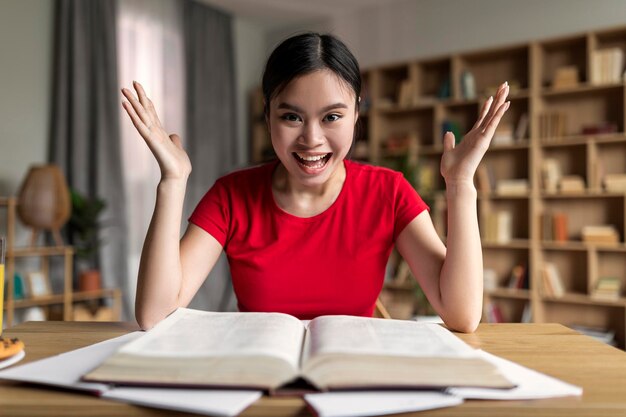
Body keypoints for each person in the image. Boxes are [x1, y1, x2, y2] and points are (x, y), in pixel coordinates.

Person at [121, 32, 510, 332]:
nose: (311, 139)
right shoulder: (231, 196)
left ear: (357, 112)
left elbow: (461, 315)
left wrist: (460, 185)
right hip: (258, 384)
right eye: (291, 117)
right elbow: (155, 314)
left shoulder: (388, 192)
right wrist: (172, 181)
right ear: (267, 114)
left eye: (332, 117)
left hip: (351, 383)